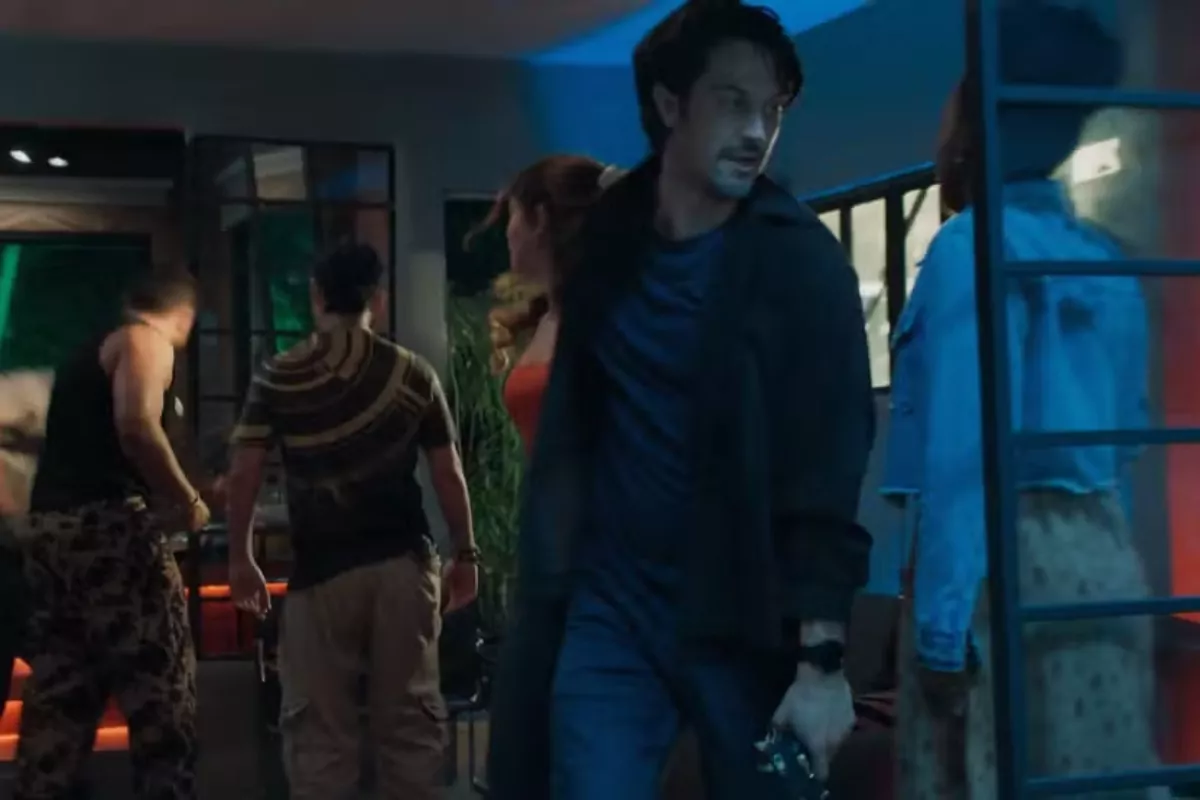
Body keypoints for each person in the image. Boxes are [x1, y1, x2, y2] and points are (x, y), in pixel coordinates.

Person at [488, 2, 876, 798]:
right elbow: (574, 432)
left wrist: (822, 662)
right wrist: (545, 598)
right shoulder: (609, 241)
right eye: (733, 102)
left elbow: (827, 470)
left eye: (772, 109)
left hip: (741, 615)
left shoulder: (802, 265)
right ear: (670, 105)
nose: (757, 131)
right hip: (612, 613)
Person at [882, 4, 1164, 797]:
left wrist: (940, 630)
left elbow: (963, 454)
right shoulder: (1103, 256)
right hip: (1104, 561)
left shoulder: (969, 248)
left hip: (999, 566)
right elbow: (1125, 442)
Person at [225, 242, 478, 800]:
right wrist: (466, 554)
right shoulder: (413, 373)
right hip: (403, 567)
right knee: (410, 729)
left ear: (317, 297)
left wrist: (240, 557)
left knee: (319, 737)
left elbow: (244, 474)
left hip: (322, 574)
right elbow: (448, 472)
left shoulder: (279, 375)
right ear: (377, 301)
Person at [14, 267, 206, 799]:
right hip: (113, 531)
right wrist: (187, 500)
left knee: (61, 691)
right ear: (184, 315)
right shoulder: (145, 340)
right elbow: (136, 424)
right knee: (162, 695)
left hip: (53, 535)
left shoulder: (84, 354)